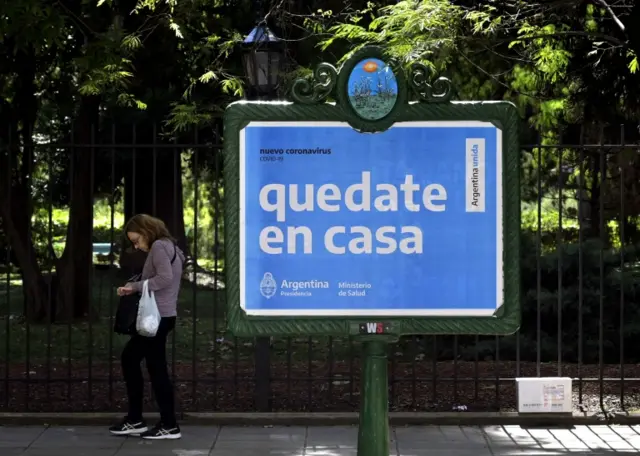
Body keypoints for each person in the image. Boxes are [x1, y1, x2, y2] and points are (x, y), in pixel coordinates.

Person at [109, 214, 185, 440]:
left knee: (134, 359)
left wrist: (134, 286)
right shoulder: (171, 247)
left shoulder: (159, 247)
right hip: (164, 315)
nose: (136, 245)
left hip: (156, 317)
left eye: (137, 240)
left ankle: (148, 421)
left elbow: (164, 279)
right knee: (152, 366)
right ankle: (156, 421)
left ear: (147, 231)